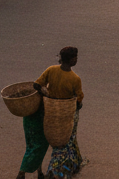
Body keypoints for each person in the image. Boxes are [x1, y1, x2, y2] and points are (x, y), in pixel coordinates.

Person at [34, 47, 83, 178]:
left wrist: (48, 96)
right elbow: (79, 100)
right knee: (67, 140)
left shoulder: (51, 70)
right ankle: (56, 171)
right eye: (76, 57)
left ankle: (73, 163)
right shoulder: (75, 78)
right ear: (72, 60)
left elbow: (37, 85)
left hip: (51, 111)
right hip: (67, 113)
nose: (77, 59)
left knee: (59, 140)